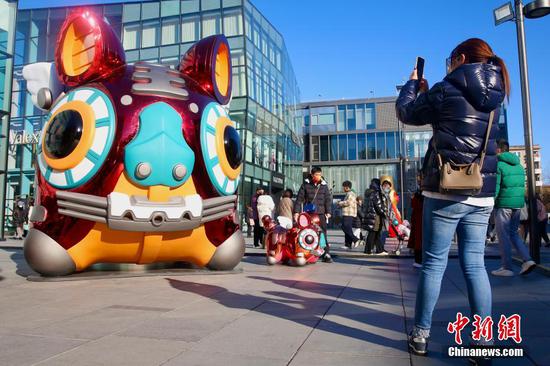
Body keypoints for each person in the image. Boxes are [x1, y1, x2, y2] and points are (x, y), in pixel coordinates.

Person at [396, 38, 509, 356]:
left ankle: (420, 335)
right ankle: (483, 341)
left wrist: (412, 84)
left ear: (461, 59)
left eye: (449, 59)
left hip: (445, 191)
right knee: (475, 266)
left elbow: (406, 112)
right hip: (482, 192)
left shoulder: (446, 89)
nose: (448, 64)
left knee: (433, 265)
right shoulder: (496, 94)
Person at [491, 140, 536, 277]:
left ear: (499, 150)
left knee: (503, 235)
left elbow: (496, 187)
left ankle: (507, 268)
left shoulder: (499, 164)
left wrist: (491, 203)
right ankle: (527, 260)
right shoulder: (519, 166)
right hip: (517, 204)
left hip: (504, 205)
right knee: (513, 234)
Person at [294, 167, 333, 263]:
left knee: (322, 233)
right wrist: (296, 212)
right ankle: (308, 253)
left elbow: (327, 199)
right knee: (308, 233)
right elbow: (299, 199)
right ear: (312, 175)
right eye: (316, 174)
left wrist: (328, 211)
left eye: (320, 174)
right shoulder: (305, 185)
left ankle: (325, 253)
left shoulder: (324, 185)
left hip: (321, 214)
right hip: (309, 214)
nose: (318, 176)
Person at [362, 179, 388, 255]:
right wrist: (383, 213)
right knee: (373, 233)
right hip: (375, 216)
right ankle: (368, 250)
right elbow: (378, 205)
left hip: (372, 215)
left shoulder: (370, 192)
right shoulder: (376, 193)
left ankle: (379, 250)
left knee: (375, 233)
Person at [338, 181, 361, 249]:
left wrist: (340, 203)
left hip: (349, 214)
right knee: (346, 228)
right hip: (347, 213)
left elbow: (348, 202)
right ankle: (348, 244)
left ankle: (356, 240)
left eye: (343, 187)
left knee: (346, 227)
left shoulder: (350, 194)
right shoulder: (349, 193)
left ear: (346, 187)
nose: (343, 188)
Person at [408, 174, 424, 268]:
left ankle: (418, 260)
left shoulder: (420, 193)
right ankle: (419, 260)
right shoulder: (420, 192)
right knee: (419, 240)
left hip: (419, 218)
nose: (418, 181)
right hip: (420, 218)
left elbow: (414, 205)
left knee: (418, 240)